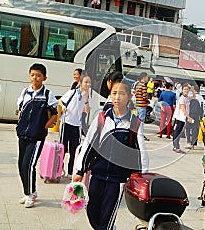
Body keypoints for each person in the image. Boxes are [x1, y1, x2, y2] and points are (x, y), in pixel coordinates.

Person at [73, 79, 149, 229]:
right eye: (114, 93)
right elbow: (88, 144)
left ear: (129, 96)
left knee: (106, 218)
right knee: (92, 212)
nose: (117, 97)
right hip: (97, 174)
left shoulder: (135, 123)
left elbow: (141, 153)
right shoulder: (102, 118)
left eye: (122, 93)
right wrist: (79, 170)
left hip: (118, 179)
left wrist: (140, 177)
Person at [16, 63, 58, 208]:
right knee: (21, 165)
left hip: (37, 137)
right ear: (29, 76)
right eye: (33, 75)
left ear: (44, 78)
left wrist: (45, 126)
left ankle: (31, 194)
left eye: (39, 75)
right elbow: (20, 109)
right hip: (23, 134)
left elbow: (55, 114)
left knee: (29, 164)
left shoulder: (47, 95)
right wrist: (20, 123)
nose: (35, 78)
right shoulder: (25, 92)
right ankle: (27, 192)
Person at [59, 72, 91, 179]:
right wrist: (63, 106)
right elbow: (60, 101)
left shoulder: (87, 96)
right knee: (62, 148)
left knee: (74, 150)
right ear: (80, 83)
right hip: (66, 123)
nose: (88, 85)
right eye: (86, 82)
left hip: (77, 125)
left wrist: (86, 100)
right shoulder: (72, 92)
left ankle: (70, 171)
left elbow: (86, 111)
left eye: (89, 83)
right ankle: (59, 169)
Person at [172, 84, 194, 154]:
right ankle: (176, 147)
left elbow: (194, 96)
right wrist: (188, 117)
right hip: (179, 118)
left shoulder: (186, 98)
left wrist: (193, 90)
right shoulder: (182, 98)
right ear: (182, 90)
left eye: (187, 89)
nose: (186, 91)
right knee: (177, 132)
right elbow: (183, 109)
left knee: (179, 132)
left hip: (183, 118)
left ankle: (177, 146)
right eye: (185, 89)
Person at [135, 72, 150, 141]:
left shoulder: (137, 85)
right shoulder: (143, 86)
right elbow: (144, 96)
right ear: (144, 77)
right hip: (142, 105)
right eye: (147, 77)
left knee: (137, 120)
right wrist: (148, 101)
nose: (147, 78)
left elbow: (136, 94)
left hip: (137, 104)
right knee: (141, 121)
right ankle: (140, 134)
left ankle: (136, 133)